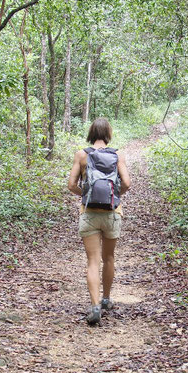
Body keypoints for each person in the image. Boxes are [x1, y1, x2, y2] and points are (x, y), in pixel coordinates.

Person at [67, 118, 131, 325]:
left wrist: (85, 194)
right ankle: (106, 299)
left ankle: (94, 306)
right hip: (112, 213)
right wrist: (115, 196)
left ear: (91, 133)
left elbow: (71, 185)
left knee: (92, 261)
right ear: (108, 134)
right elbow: (127, 183)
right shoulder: (117, 155)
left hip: (89, 213)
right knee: (109, 258)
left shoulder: (82, 155)